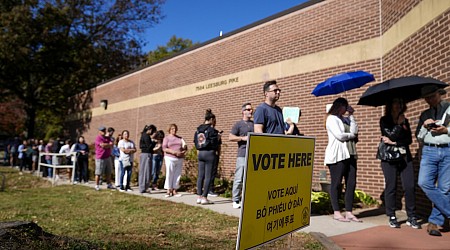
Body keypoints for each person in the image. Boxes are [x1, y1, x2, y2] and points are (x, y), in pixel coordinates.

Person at [378, 98, 419, 229]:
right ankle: (392, 215)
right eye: (396, 102)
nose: (399, 105)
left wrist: (395, 142)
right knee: (391, 186)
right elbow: (390, 135)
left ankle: (411, 216)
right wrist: (398, 125)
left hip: (404, 156)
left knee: (410, 186)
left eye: (401, 102)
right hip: (389, 157)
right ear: (390, 104)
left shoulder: (404, 120)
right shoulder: (384, 120)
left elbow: (409, 140)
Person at [416, 85, 450, 237]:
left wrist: (446, 130)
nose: (430, 100)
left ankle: (433, 222)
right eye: (427, 98)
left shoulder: (449, 109)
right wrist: (424, 127)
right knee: (424, 182)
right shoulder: (424, 114)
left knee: (444, 188)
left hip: (448, 150)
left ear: (439, 94)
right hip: (429, 151)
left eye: (432, 96)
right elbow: (419, 137)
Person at [324, 97, 361, 222]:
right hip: (337, 155)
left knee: (351, 183)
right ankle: (336, 212)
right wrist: (351, 135)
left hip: (350, 154)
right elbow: (340, 135)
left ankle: (349, 212)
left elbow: (355, 130)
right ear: (339, 106)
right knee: (336, 183)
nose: (346, 108)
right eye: (345, 106)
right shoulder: (331, 119)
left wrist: (352, 115)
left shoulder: (346, 119)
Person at [229, 103, 254, 209]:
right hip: (242, 154)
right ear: (243, 111)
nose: (251, 111)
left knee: (250, 179)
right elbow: (230, 137)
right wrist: (242, 138)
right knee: (239, 178)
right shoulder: (238, 124)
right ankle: (235, 199)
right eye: (248, 109)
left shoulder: (254, 124)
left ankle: (246, 199)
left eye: (251, 109)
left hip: (253, 154)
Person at [194, 109, 220, 205]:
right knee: (208, 176)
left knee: (200, 175)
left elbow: (195, 141)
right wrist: (218, 138)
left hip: (200, 152)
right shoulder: (212, 130)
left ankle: (199, 196)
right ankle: (205, 197)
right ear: (211, 119)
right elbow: (214, 144)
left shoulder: (198, 130)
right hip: (209, 153)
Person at [163, 124, 187, 197]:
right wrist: (173, 152)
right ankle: (168, 189)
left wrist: (183, 151)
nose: (174, 130)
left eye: (175, 129)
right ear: (169, 130)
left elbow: (184, 147)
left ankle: (174, 189)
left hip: (179, 158)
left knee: (177, 174)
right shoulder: (167, 138)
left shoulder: (180, 138)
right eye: (172, 129)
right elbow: (164, 148)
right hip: (170, 157)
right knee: (170, 173)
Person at [94, 126, 114, 191]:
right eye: (102, 131)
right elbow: (102, 145)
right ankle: (97, 185)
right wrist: (108, 145)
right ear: (99, 131)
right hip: (100, 157)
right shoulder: (98, 138)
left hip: (107, 157)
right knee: (98, 172)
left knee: (108, 171)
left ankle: (109, 184)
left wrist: (107, 145)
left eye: (104, 130)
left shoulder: (107, 138)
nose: (103, 132)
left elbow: (112, 144)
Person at [139, 124, 156, 193]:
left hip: (145, 154)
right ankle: (143, 187)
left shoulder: (143, 135)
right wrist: (154, 142)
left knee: (145, 171)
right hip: (146, 154)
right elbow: (149, 147)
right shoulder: (146, 136)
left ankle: (144, 187)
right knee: (146, 171)